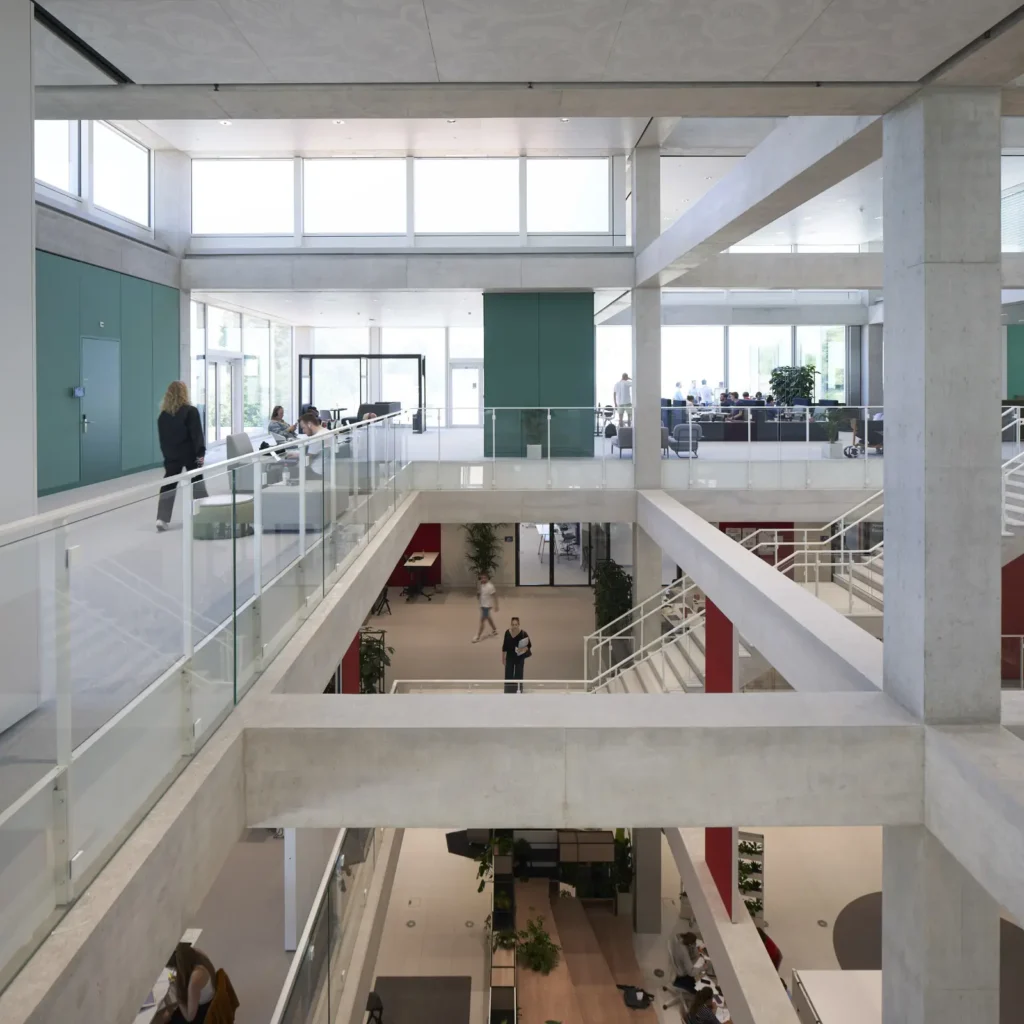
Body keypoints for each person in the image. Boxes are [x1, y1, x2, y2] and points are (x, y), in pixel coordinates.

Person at [156, 381, 207, 532]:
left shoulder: (163, 416)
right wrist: (200, 453)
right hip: (190, 453)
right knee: (197, 482)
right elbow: (196, 434)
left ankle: (162, 518)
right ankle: (203, 514)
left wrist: (167, 456)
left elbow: (163, 439)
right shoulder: (190, 411)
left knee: (168, 486)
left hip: (172, 455)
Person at [152, 943, 220, 1024]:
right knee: (167, 1014)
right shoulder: (197, 954)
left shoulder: (195, 979)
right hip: (208, 1001)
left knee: (165, 1017)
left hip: (204, 1012)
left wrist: (177, 992)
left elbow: (189, 1017)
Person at [502, 616, 531, 692]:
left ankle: (518, 691)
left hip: (519, 657)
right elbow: (504, 646)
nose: (514, 626)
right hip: (510, 657)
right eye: (513, 624)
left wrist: (523, 649)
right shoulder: (507, 632)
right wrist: (503, 658)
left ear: (518, 624)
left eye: (516, 624)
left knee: (519, 674)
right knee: (508, 675)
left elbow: (529, 645)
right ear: (511, 624)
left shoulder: (523, 633)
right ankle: (508, 691)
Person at [299, 411, 329, 477]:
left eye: (304, 428)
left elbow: (307, 459)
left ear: (309, 424)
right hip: (326, 470)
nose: (304, 431)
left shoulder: (317, 438)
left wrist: (297, 455)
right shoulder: (327, 431)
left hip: (316, 471)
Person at [472, 573, 499, 642]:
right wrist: (478, 594)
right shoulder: (481, 585)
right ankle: (494, 630)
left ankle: (478, 636)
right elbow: (479, 596)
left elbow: (495, 596)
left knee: (482, 620)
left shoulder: (490, 586)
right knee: (488, 618)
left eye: (485, 578)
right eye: (482, 578)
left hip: (487, 606)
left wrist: (496, 605)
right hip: (482, 605)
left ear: (487, 578)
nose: (483, 579)